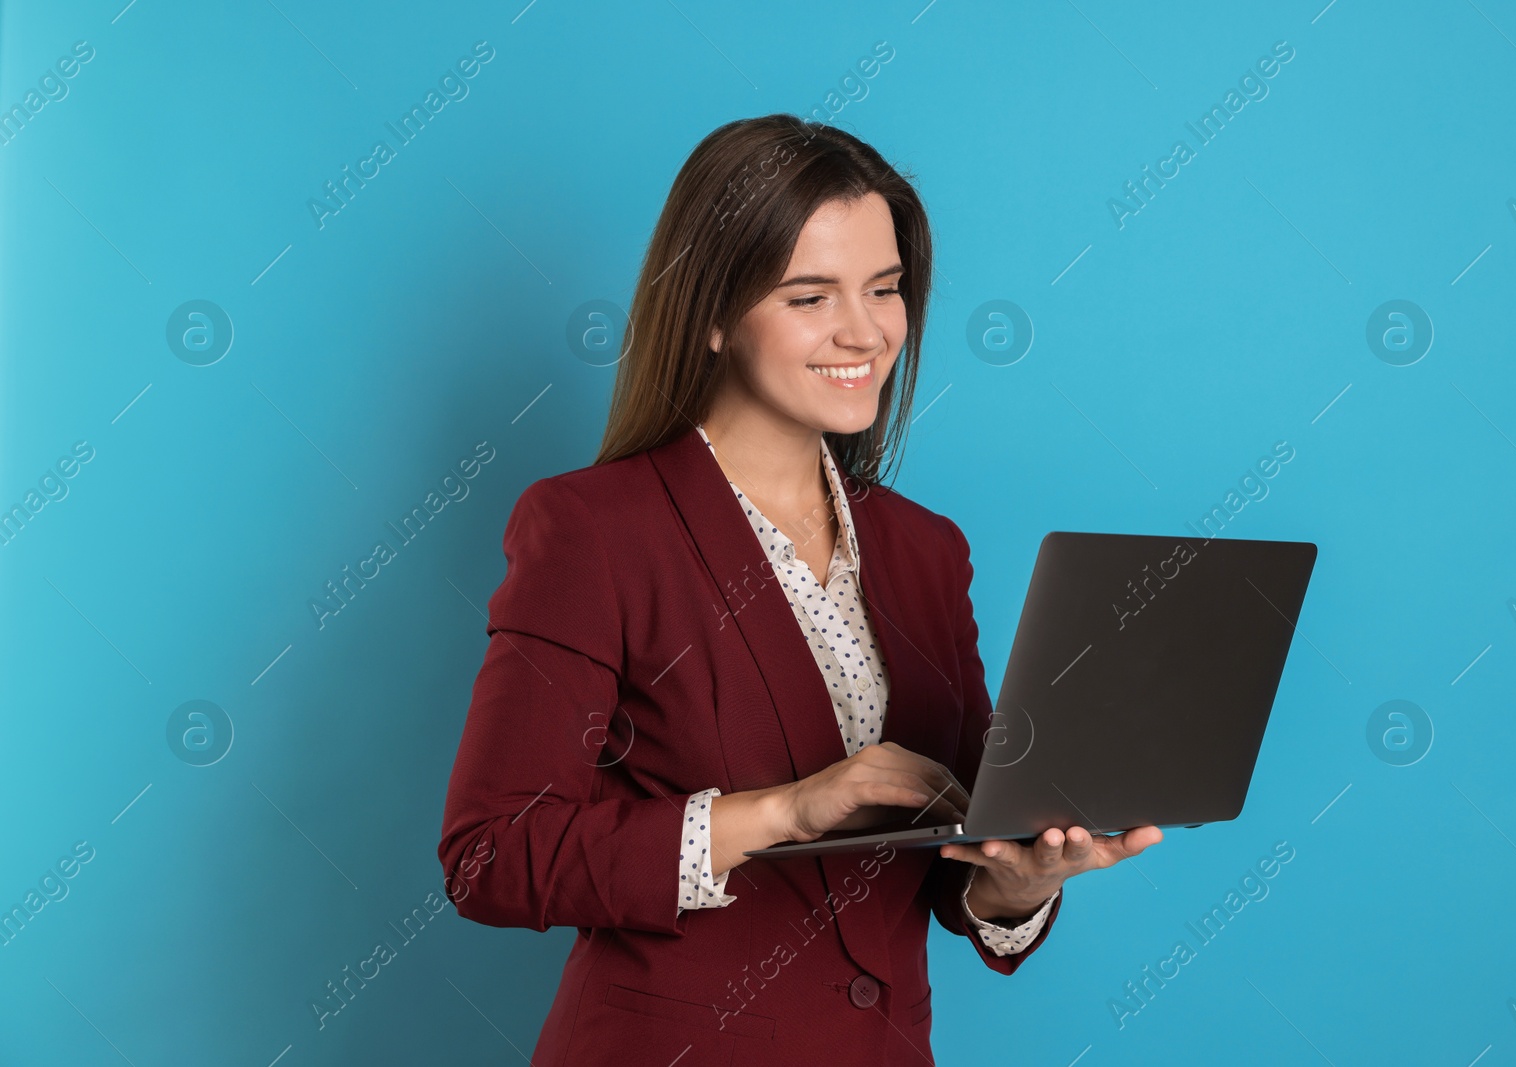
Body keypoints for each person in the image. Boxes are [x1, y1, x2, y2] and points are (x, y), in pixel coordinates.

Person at [437, 113, 1161, 1065]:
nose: (864, 331)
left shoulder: (924, 549)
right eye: (810, 296)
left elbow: (954, 862)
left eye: (886, 288)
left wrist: (1021, 880)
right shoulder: (593, 530)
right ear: (710, 311)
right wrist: (783, 809)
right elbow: (491, 855)